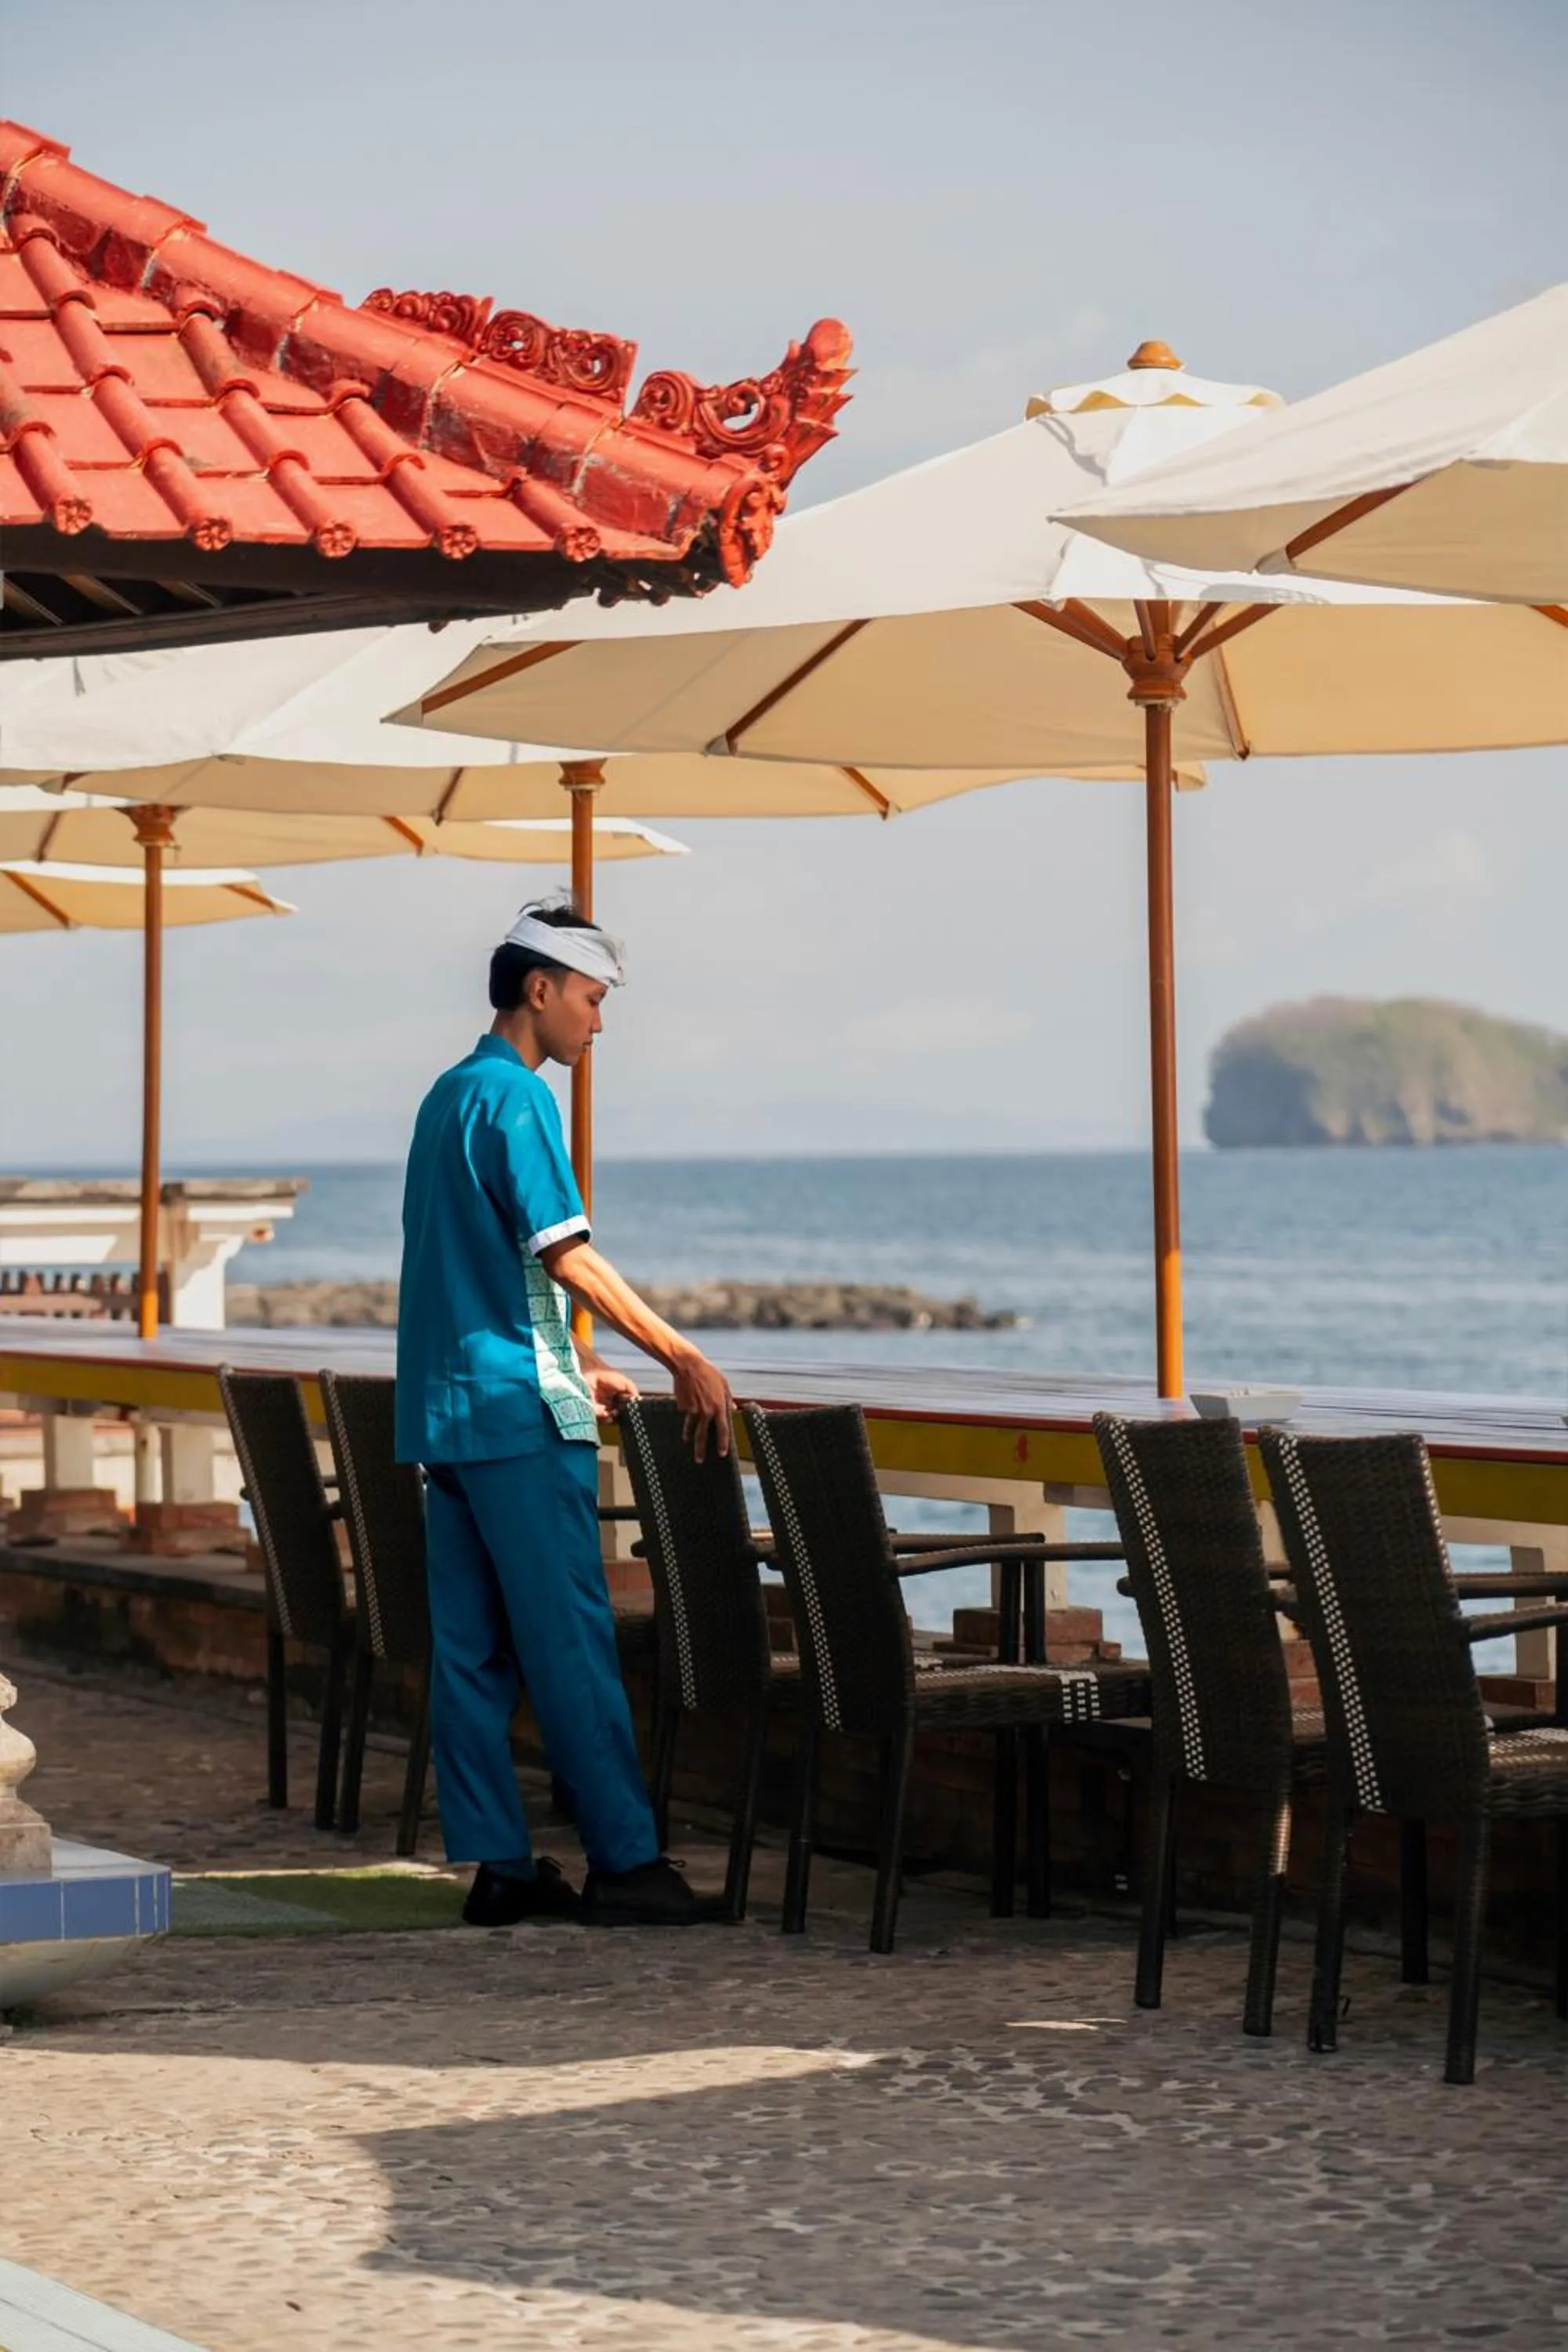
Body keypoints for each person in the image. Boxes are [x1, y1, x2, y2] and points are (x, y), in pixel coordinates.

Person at [396, 896, 735, 1928]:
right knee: (570, 1643)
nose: (600, 1022)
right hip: (512, 1420)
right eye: (591, 999)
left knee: (469, 1654)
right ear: (539, 990)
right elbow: (564, 1252)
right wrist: (681, 1355)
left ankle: (500, 1870)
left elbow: (465, 1271)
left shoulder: (446, 1097)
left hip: (448, 1412)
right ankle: (626, 1863)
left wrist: (570, 1366)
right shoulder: (517, 1100)